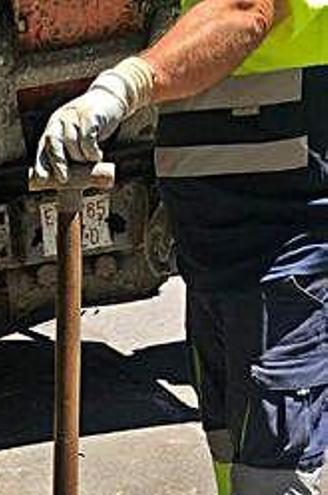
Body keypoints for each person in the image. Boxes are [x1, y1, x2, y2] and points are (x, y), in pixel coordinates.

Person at [32, 0, 328, 493]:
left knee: (274, 463)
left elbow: (243, 11)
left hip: (283, 244)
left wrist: (122, 87)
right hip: (212, 247)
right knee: (231, 447)